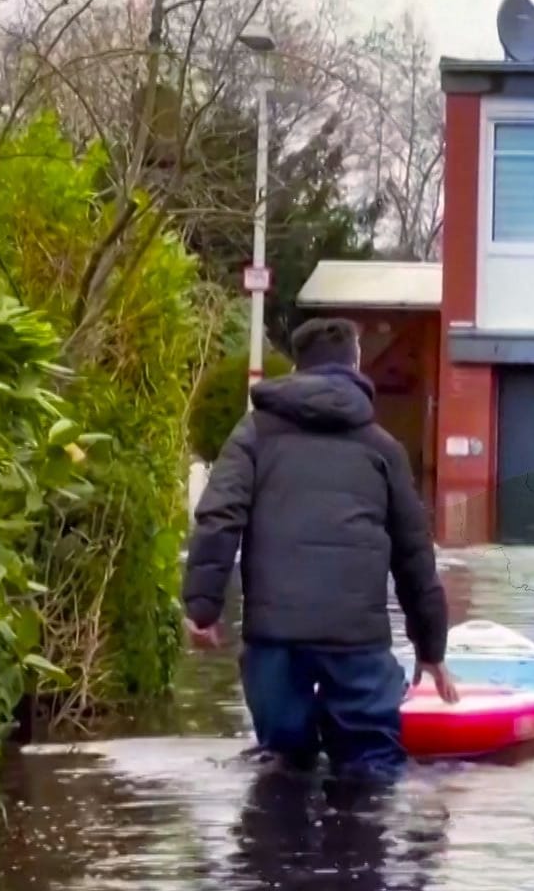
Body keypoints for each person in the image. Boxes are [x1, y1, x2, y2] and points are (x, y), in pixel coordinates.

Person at [181, 317, 459, 779]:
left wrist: (203, 605)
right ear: (355, 363)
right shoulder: (382, 447)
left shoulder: (254, 435)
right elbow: (414, 555)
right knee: (372, 769)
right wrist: (430, 649)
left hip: (275, 640)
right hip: (358, 642)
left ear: (296, 366)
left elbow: (218, 517)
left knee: (283, 770)